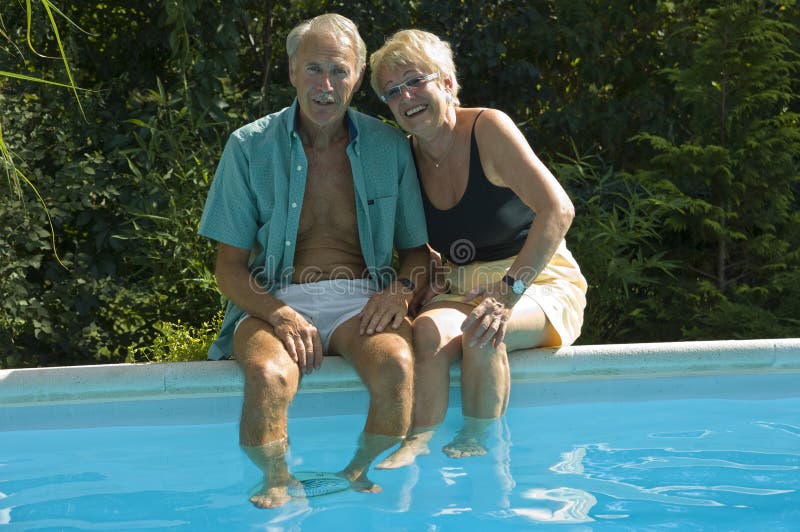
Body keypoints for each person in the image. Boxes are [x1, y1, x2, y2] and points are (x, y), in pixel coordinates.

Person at [198, 14, 429, 508]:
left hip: (362, 302)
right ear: (291, 71)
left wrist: (399, 291)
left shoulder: (390, 146)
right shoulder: (248, 146)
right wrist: (279, 313)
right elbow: (229, 267)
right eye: (314, 69)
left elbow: (415, 253)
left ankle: (357, 476)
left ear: (359, 78)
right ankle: (276, 483)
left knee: (396, 366)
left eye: (339, 71)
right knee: (267, 376)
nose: (326, 85)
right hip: (272, 300)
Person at [369, 29, 587, 468]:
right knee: (425, 333)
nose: (405, 95)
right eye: (392, 91)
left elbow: (558, 210)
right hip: (463, 283)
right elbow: (426, 245)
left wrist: (508, 293)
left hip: (536, 277)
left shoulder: (488, 128)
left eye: (415, 80)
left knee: (482, 331)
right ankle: (421, 439)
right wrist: (423, 278)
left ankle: (482, 440)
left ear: (447, 82)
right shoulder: (406, 155)